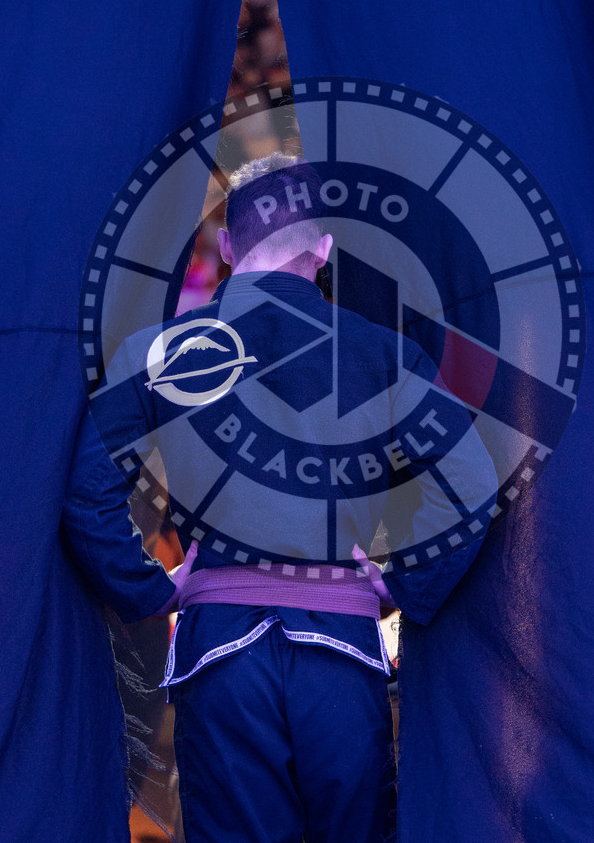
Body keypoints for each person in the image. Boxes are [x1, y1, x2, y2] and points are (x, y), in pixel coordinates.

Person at [89, 152, 499, 843]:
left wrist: (149, 588)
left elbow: (87, 494)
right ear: (324, 248)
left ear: (227, 246)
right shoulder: (385, 354)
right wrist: (401, 583)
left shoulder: (157, 351)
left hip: (217, 653)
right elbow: (470, 486)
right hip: (341, 650)